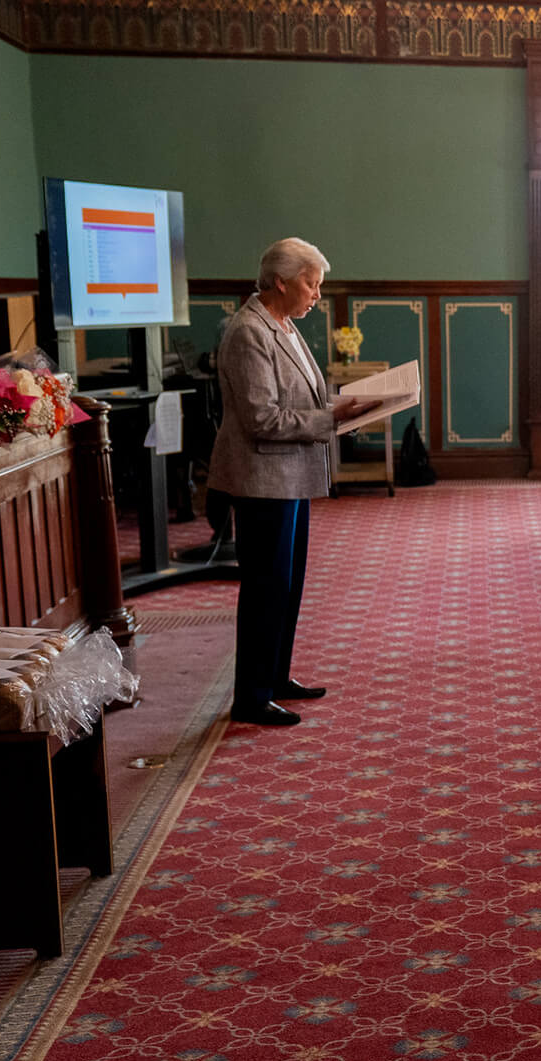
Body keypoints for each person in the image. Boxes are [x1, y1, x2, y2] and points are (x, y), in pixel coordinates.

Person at [209, 238, 379, 726]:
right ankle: (251, 696)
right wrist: (332, 419)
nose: (317, 295)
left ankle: (276, 676)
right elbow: (263, 419)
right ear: (281, 281)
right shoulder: (249, 332)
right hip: (262, 479)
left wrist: (339, 411)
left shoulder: (281, 322)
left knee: (288, 584)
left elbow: (302, 400)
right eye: (311, 283)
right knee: (266, 586)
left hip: (288, 477)